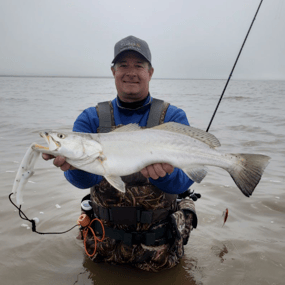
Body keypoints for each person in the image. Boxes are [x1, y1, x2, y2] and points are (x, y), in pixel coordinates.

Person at [43, 35, 198, 272]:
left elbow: (184, 181)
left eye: (139, 65)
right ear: (113, 71)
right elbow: (84, 181)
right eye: (123, 65)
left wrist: (164, 175)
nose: (131, 72)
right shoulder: (90, 118)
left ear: (151, 72)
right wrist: (76, 166)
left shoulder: (173, 117)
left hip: (159, 248)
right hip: (103, 244)